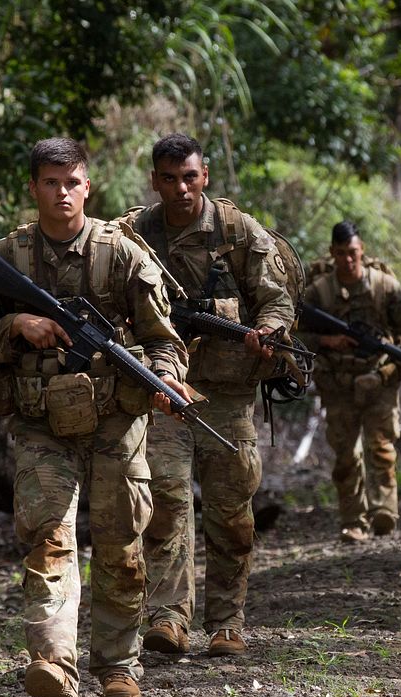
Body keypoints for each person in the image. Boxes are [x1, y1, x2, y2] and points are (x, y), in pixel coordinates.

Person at [0, 137, 189, 697]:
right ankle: (55, 662)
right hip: (40, 425)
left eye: (72, 182)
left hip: (115, 421)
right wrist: (15, 326)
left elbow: (163, 342)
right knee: (49, 540)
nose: (63, 193)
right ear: (33, 188)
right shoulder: (3, 261)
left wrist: (163, 380)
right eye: (51, 182)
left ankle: (118, 667)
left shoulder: (124, 255)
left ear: (89, 186)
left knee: (120, 544)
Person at [125, 133, 295, 658]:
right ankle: (169, 617)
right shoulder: (134, 234)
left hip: (228, 394)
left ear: (206, 176)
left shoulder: (236, 231)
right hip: (165, 392)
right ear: (155, 181)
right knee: (168, 504)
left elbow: (276, 298)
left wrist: (265, 336)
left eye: (191, 177)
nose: (181, 188)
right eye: (170, 179)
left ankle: (227, 621)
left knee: (230, 511)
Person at [300, 221, 401, 543]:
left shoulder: (385, 287)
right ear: (332, 253)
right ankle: (353, 520)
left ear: (363, 251)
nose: (347, 260)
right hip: (338, 384)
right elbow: (295, 336)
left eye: (353, 253)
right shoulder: (318, 293)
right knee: (345, 456)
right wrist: (328, 342)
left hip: (379, 381)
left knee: (382, 448)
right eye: (341, 253)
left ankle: (385, 511)